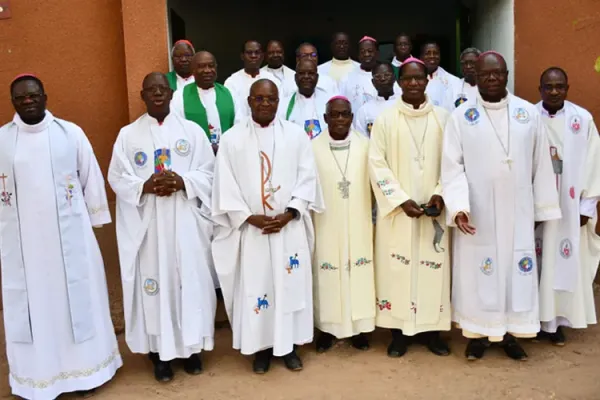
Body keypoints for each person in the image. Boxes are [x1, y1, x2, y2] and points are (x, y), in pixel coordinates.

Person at [0, 74, 121, 399]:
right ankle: (36, 379)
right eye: (20, 98)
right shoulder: (2, 141)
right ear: (13, 102)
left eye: (33, 95)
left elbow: (91, 176)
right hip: (24, 248)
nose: (28, 101)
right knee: (34, 308)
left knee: (80, 301)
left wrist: (97, 216)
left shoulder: (70, 133)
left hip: (73, 241)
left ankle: (89, 371)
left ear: (45, 96)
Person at [441, 51, 561, 361]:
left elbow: (541, 165)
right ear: (475, 78)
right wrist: (459, 208)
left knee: (513, 270)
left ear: (507, 75)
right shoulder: (461, 117)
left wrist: (542, 209)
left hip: (518, 211)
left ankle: (509, 333)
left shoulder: (527, 114)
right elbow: (451, 167)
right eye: (485, 74)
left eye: (498, 73)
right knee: (478, 271)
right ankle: (478, 334)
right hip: (477, 212)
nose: (492, 78)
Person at [108, 72, 216, 382]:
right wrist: (145, 186)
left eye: (162, 89)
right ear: (142, 96)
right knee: (155, 287)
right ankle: (159, 356)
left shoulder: (192, 132)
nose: (157, 94)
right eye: (151, 90)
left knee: (188, 283)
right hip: (149, 228)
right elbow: (116, 178)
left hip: (185, 222)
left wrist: (183, 181)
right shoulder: (128, 136)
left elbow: (210, 174)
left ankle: (192, 349)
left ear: (171, 94)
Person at [212, 79, 323, 374]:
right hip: (253, 231)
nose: (264, 104)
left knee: (290, 286)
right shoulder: (232, 139)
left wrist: (289, 214)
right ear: (248, 101)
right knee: (258, 286)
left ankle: (290, 347)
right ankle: (261, 349)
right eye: (259, 99)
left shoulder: (297, 136)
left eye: (270, 99)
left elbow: (307, 177)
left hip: (288, 228)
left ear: (278, 101)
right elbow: (225, 184)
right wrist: (249, 217)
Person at [369, 58, 451, 358]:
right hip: (398, 213)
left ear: (428, 80)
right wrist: (400, 200)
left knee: (433, 270)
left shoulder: (444, 118)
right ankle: (398, 333)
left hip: (433, 211)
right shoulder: (385, 119)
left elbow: (454, 163)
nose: (413, 83)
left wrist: (441, 193)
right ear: (398, 82)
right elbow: (376, 164)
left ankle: (432, 333)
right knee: (397, 271)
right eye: (407, 79)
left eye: (419, 78)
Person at [535, 67, 600, 345]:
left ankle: (557, 320)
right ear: (539, 89)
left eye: (559, 86)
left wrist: (586, 207)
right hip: (538, 202)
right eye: (548, 87)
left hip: (570, 205)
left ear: (567, 88)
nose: (553, 91)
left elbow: (594, 162)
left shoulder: (582, 119)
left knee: (562, 259)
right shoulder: (527, 116)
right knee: (537, 260)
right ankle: (533, 320)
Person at [312, 96, 376, 352]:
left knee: (358, 271)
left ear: (352, 117)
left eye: (345, 115)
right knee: (327, 272)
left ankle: (359, 328)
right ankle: (327, 329)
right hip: (325, 221)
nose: (340, 120)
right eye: (334, 115)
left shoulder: (366, 146)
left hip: (359, 218)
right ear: (325, 118)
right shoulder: (312, 148)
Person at [171, 51, 237, 157]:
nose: (207, 70)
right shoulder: (180, 96)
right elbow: (176, 129)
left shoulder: (229, 93)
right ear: (193, 70)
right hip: (195, 157)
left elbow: (238, 125)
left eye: (211, 66)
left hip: (227, 155)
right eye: (201, 66)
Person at [340, 36, 400, 116]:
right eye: (362, 51)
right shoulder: (347, 79)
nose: (366, 54)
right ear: (358, 55)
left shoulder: (387, 76)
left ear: (377, 53)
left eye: (370, 51)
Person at [278, 59, 336, 140]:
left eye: (311, 73)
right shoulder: (284, 104)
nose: (306, 77)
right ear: (295, 77)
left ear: (317, 77)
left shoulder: (330, 101)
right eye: (301, 73)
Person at [224, 40, 280, 120]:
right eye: (249, 53)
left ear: (262, 56)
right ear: (242, 56)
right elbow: (233, 112)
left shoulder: (272, 80)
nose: (253, 56)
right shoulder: (231, 82)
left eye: (257, 53)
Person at [354, 63, 399, 137]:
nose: (382, 79)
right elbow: (362, 140)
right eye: (378, 76)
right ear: (373, 82)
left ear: (394, 78)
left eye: (387, 75)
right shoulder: (364, 111)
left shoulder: (404, 104)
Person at [421, 41, 460, 107]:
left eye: (435, 53)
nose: (432, 56)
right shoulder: (414, 80)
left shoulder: (453, 81)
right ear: (421, 57)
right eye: (428, 53)